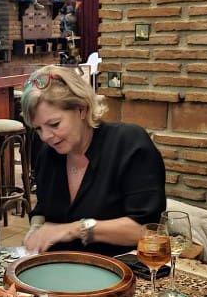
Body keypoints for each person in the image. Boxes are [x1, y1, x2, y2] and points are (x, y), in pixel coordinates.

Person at [20, 65, 166, 256]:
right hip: (64, 266)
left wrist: (76, 229)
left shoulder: (129, 144)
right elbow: (43, 209)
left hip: (119, 266)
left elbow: (147, 230)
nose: (46, 136)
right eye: (38, 128)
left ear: (82, 109)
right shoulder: (49, 153)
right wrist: (35, 230)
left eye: (54, 124)